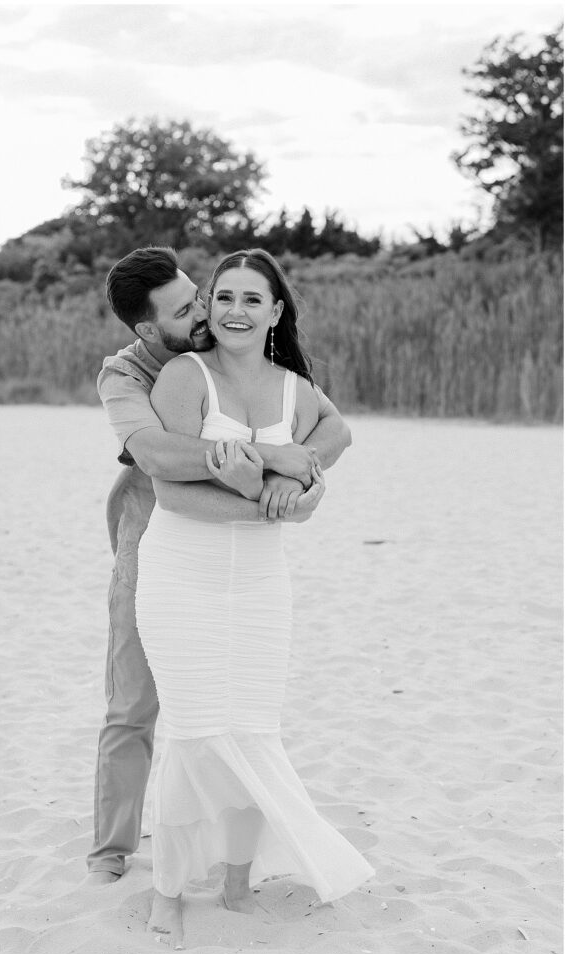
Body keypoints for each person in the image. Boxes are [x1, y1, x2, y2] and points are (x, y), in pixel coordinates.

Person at [87, 246, 352, 890]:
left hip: (241, 553)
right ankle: (112, 848)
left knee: (233, 706)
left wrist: (300, 472)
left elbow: (335, 431)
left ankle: (225, 849)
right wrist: (275, 460)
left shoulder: (238, 354)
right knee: (135, 699)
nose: (206, 309)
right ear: (150, 329)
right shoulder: (127, 375)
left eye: (198, 294)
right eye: (187, 307)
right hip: (151, 537)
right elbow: (153, 453)